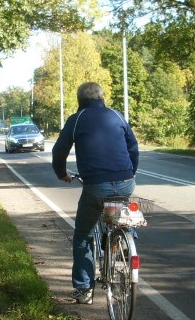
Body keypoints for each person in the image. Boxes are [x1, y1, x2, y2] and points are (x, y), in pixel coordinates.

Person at [52, 82, 139, 304]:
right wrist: (130, 173)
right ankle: (127, 238)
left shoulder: (77, 119)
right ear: (102, 98)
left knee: (82, 235)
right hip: (126, 180)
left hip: (96, 186)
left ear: (80, 100)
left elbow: (59, 150)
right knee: (119, 210)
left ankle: (84, 289)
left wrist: (62, 173)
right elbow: (133, 147)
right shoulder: (116, 115)